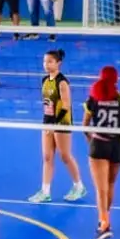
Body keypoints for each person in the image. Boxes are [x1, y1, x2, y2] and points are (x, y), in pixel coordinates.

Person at [29, 49, 85, 202]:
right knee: (47, 156)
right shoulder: (44, 80)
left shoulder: (62, 82)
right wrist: (48, 122)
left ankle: (79, 186)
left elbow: (66, 105)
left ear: (58, 63)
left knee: (65, 156)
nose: (46, 64)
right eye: (44, 61)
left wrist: (55, 124)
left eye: (50, 62)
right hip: (47, 121)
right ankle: (45, 191)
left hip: (62, 122)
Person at [83, 66, 120, 239]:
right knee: (110, 184)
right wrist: (118, 137)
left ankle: (104, 224)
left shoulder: (93, 98)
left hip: (99, 144)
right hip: (117, 146)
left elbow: (85, 125)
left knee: (101, 188)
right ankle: (105, 220)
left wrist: (91, 140)